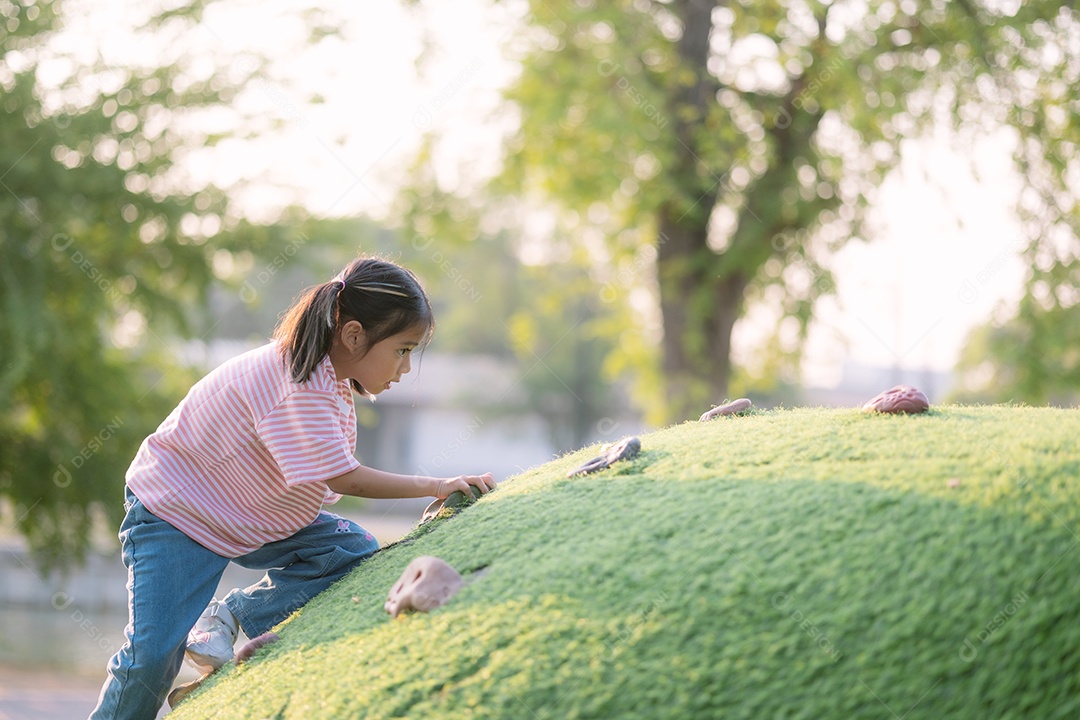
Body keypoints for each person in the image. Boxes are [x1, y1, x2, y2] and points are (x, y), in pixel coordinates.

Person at [89, 256, 496, 719]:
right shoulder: (295, 383)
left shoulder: (328, 377)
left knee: (348, 550)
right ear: (354, 335)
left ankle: (227, 614)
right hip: (177, 515)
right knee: (152, 657)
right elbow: (344, 475)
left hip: (250, 510)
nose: (405, 368)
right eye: (403, 350)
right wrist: (435, 484)